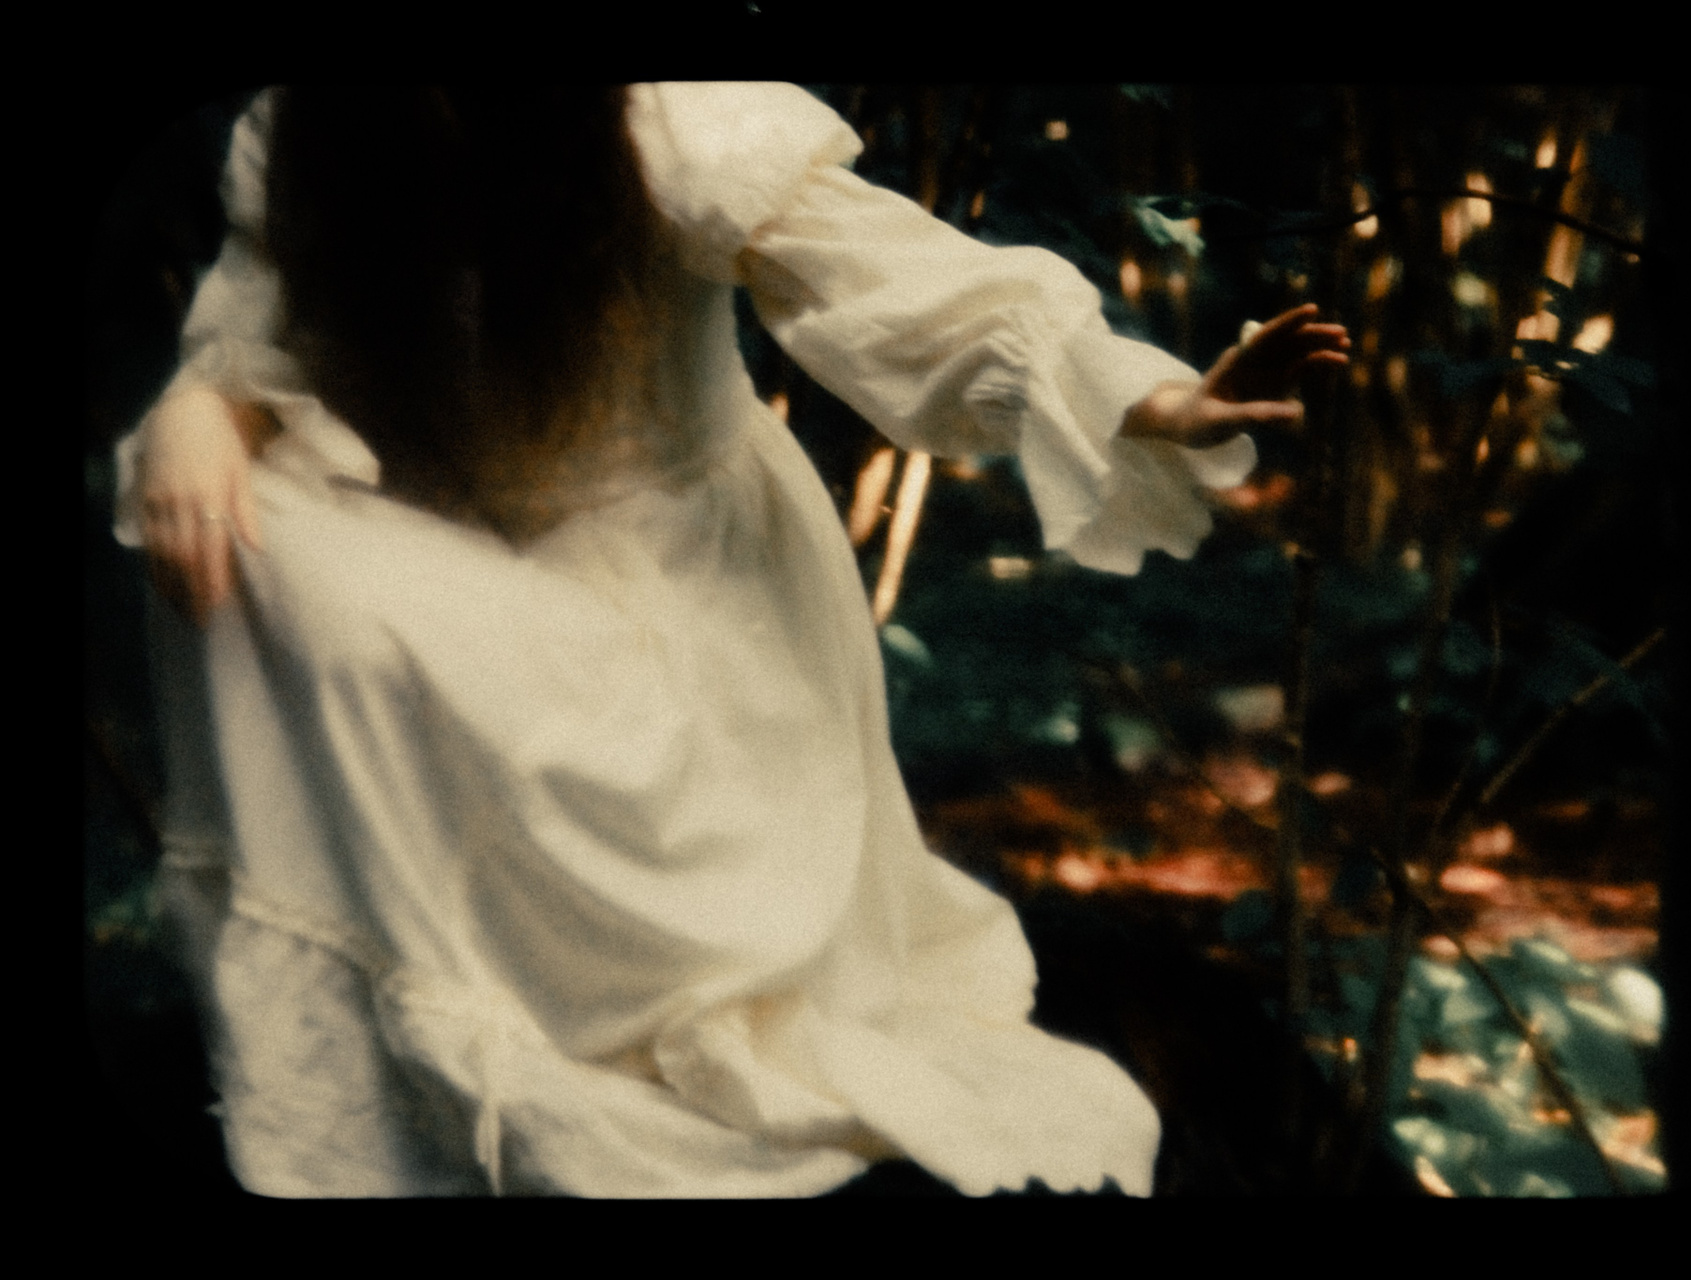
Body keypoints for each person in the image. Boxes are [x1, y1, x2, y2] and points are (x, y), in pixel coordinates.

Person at [118, 84, 1350, 1197]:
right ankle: (438, 999)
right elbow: (262, 333)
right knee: (246, 531)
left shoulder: (671, 121)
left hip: (677, 600)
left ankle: (601, 1002)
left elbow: (905, 289)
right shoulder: (313, 126)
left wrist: (1151, 396)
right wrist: (199, 411)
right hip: (441, 559)